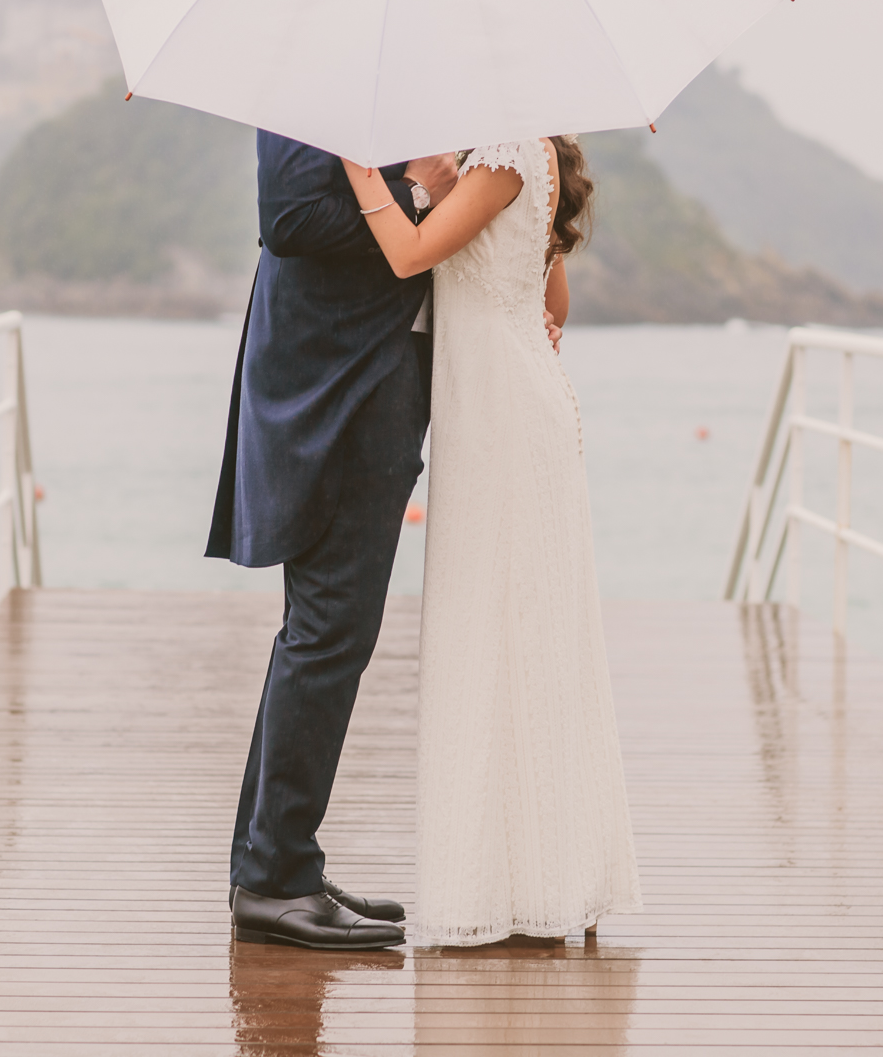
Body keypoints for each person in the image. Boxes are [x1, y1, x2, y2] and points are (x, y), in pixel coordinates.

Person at [342, 135, 642, 945]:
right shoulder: (532, 153)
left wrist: (365, 171)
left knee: (504, 635)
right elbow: (556, 308)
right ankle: (535, 877)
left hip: (505, 422)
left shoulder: (507, 150)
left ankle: (523, 881)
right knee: (522, 638)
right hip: (512, 409)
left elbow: (408, 258)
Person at [209, 132, 457, 950]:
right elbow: (291, 218)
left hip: (373, 375)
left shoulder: (397, 74)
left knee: (324, 636)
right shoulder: (318, 80)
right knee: (328, 633)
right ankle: (276, 878)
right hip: (336, 384)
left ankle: (278, 864)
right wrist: (418, 196)